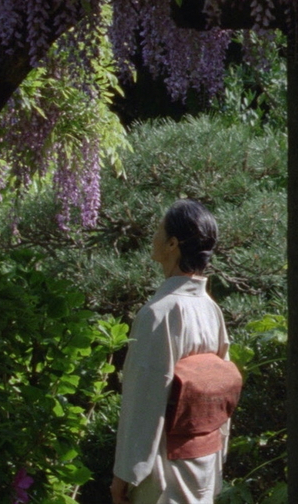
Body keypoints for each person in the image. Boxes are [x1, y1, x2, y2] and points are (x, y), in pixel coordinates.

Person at [112, 200, 231, 504]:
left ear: (172, 244)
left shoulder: (160, 313)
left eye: (158, 229)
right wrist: (219, 452)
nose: (153, 236)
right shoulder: (211, 309)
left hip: (165, 467)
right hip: (205, 459)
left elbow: (144, 401)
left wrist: (125, 475)